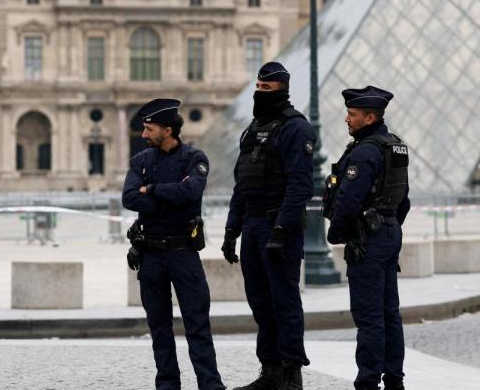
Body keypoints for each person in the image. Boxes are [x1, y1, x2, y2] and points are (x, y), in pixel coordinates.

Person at [222, 62, 316, 390]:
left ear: (282, 91)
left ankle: (291, 376)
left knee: (284, 302)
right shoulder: (252, 129)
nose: (259, 94)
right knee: (260, 302)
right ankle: (270, 371)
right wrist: (231, 230)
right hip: (252, 225)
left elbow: (300, 186)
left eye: (267, 90)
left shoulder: (296, 129)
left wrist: (281, 228)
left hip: (278, 227)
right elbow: (241, 183)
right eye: (258, 89)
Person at [122, 99, 225, 390]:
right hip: (151, 253)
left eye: (148, 129)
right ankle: (167, 385)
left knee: (197, 325)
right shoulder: (141, 160)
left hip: (183, 252)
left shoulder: (195, 157)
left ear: (168, 130)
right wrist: (171, 199)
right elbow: (129, 198)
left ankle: (210, 384)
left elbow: (191, 191)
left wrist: (152, 190)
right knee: (159, 328)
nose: (143, 135)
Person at [324, 86, 411, 390]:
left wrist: (337, 233)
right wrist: (388, 225)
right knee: (390, 312)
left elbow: (348, 201)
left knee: (369, 315)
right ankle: (395, 379)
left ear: (370, 116)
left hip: (368, 238)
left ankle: (368, 381)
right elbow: (404, 200)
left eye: (352, 114)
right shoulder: (396, 146)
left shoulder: (364, 151)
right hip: (388, 232)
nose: (346, 119)